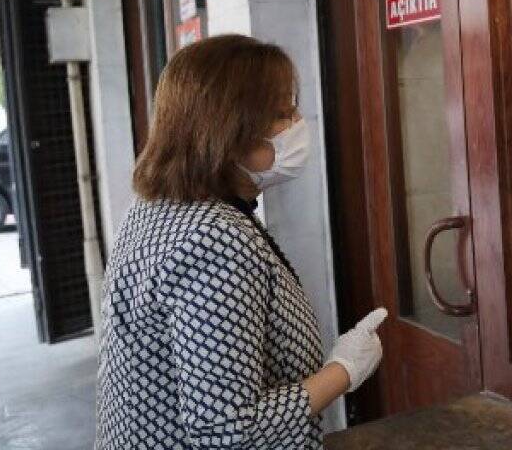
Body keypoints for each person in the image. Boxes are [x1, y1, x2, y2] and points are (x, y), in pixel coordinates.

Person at [96, 34, 386, 449]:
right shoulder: (213, 241)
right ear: (230, 130)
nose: (297, 126)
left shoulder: (155, 208)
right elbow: (226, 429)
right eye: (282, 114)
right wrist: (344, 370)